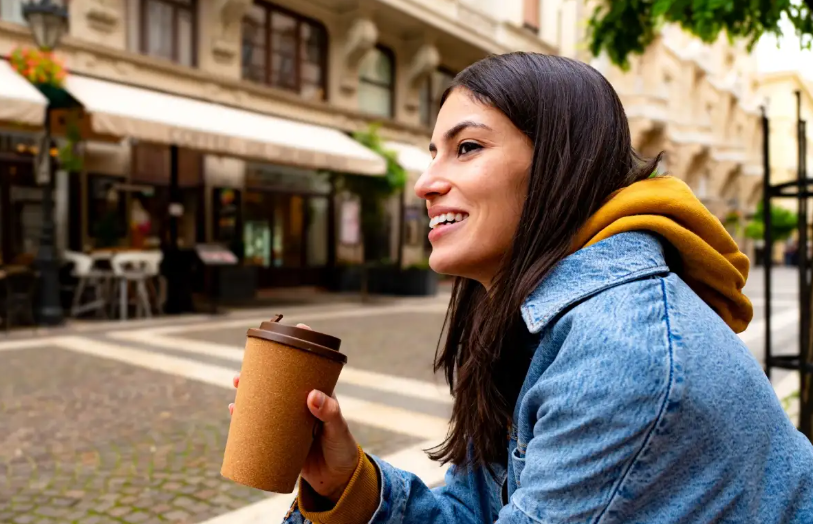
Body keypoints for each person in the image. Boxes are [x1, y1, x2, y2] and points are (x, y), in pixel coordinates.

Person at [230, 53, 813, 523]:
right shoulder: (527, 316)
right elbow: (476, 510)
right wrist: (347, 486)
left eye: (468, 148)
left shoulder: (619, 353)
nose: (426, 182)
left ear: (560, 163)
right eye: (434, 152)